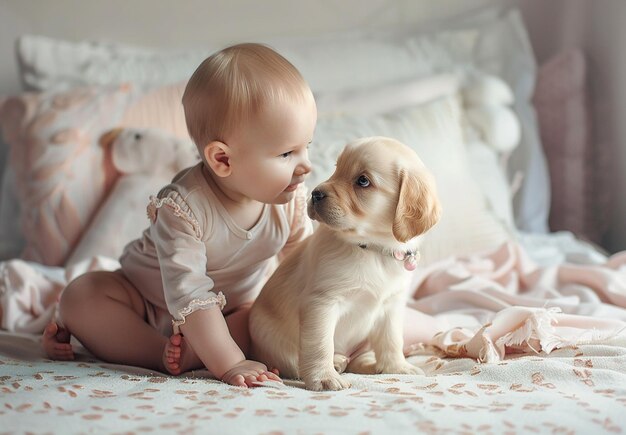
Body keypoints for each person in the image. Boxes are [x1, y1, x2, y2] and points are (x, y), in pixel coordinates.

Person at [42, 42, 317, 388]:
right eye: (287, 153)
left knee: (259, 318)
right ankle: (158, 352)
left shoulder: (289, 202)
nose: (306, 165)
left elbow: (301, 274)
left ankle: (193, 352)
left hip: (229, 312)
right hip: (142, 301)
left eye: (308, 145)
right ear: (223, 160)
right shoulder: (183, 208)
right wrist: (231, 363)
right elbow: (189, 292)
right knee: (81, 296)